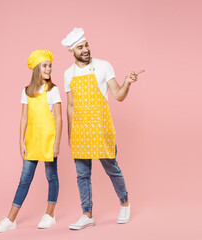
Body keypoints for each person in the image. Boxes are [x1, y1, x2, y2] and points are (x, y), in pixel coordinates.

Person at [61, 28, 145, 230]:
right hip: (80, 131)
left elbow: (118, 95)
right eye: (80, 47)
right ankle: (87, 214)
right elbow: (70, 106)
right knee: (82, 175)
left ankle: (125, 203)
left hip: (101, 128)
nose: (85, 50)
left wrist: (127, 82)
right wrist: (71, 136)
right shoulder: (67, 74)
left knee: (112, 169)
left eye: (86, 45)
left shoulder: (103, 66)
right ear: (72, 51)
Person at [0, 50, 63, 233]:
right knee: (25, 179)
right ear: (36, 69)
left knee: (51, 176)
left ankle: (50, 214)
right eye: (45, 66)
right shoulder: (26, 92)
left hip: (48, 140)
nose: (49, 69)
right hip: (32, 140)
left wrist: (57, 143)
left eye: (50, 66)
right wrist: (20, 141)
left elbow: (59, 118)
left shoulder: (53, 90)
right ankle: (11, 219)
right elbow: (24, 118)